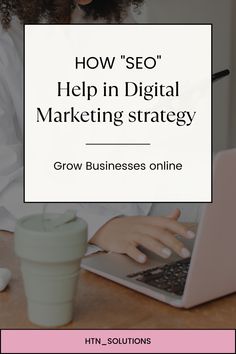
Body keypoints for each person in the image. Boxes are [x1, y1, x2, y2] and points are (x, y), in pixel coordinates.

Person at [0, 0, 195, 265]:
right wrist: (99, 227)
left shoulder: (109, 17)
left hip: (128, 202)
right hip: (49, 231)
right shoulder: (6, 40)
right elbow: (5, 183)